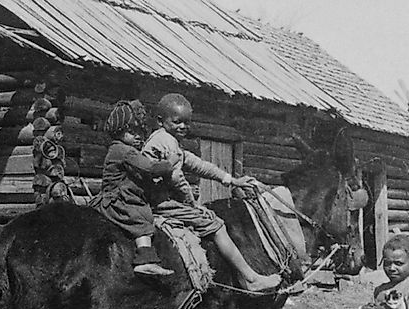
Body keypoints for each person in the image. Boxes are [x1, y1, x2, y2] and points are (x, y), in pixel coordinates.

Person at [142, 93, 281, 291]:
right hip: (161, 203)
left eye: (187, 122)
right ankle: (250, 278)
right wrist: (192, 205)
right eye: (177, 122)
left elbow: (198, 165)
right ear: (160, 121)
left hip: (158, 200)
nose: (183, 127)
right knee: (216, 225)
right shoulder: (167, 142)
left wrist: (230, 180)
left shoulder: (164, 140)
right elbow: (176, 178)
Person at [91, 100, 181, 276]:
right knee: (140, 218)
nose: (137, 136)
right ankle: (145, 259)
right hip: (117, 200)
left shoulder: (121, 149)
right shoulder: (124, 151)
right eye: (131, 132)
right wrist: (170, 162)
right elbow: (150, 168)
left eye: (139, 132)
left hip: (118, 195)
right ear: (119, 132)